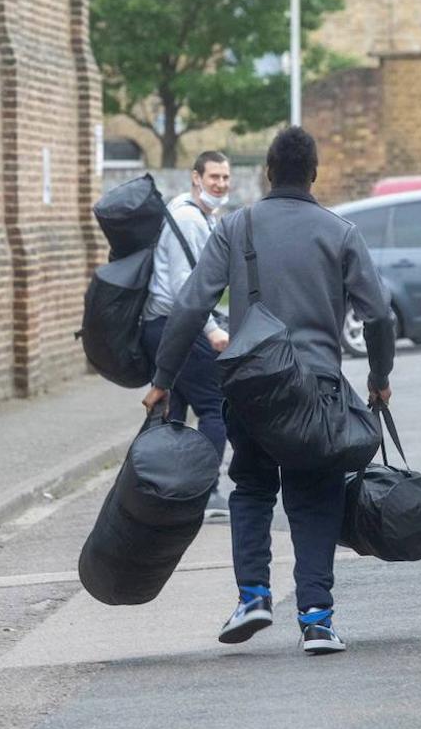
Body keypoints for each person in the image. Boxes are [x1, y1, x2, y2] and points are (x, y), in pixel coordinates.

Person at [142, 127, 395, 655]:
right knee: (314, 495)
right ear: (315, 173)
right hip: (318, 392)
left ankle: (254, 594)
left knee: (253, 488)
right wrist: (378, 378)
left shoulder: (237, 227)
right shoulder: (341, 233)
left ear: (268, 174)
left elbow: (190, 306)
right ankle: (317, 620)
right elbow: (378, 316)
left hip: (252, 387)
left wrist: (163, 380)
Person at [139, 150, 233, 519]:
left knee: (173, 411)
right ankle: (206, 493)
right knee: (215, 406)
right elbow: (185, 287)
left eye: (225, 178)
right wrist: (211, 331)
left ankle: (167, 494)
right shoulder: (189, 220)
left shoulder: (194, 214)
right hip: (175, 325)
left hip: (160, 325)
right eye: (213, 177)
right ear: (196, 177)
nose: (220, 185)